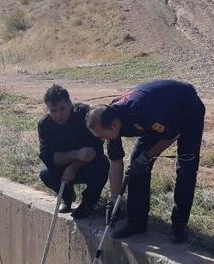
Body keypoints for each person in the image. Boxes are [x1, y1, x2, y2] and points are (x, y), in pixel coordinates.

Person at [85, 80, 205, 243]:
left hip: (187, 109)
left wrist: (148, 156)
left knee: (186, 167)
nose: (102, 140)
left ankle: (179, 225)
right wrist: (113, 200)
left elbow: (171, 135)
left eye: (102, 136)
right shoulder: (111, 116)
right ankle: (136, 222)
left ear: (113, 126)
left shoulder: (141, 111)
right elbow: (115, 161)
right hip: (155, 118)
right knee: (136, 165)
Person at [38, 84, 109, 219]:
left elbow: (95, 150)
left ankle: (88, 203)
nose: (59, 115)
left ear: (69, 104)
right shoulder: (45, 124)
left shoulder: (84, 115)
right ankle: (67, 196)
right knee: (46, 174)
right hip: (62, 168)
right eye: (53, 111)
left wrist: (74, 167)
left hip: (87, 164)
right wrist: (75, 154)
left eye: (62, 109)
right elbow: (48, 157)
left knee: (102, 164)